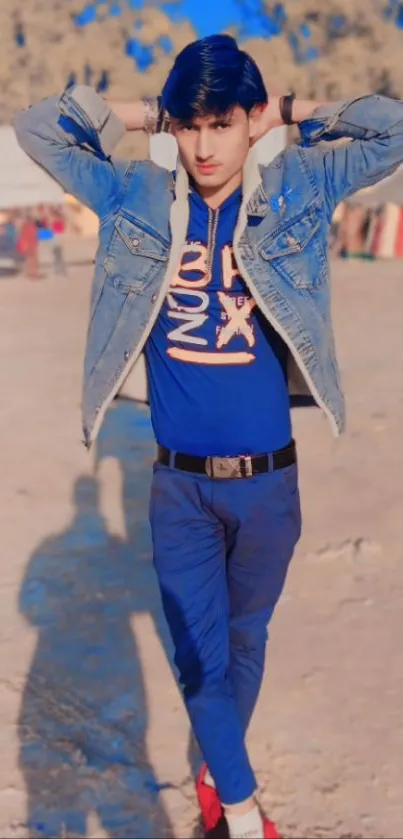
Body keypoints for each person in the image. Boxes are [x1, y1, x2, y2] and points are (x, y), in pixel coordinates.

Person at [14, 33, 403, 839]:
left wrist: (288, 114)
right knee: (200, 657)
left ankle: (212, 767)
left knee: (244, 641)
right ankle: (240, 806)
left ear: (249, 123)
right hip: (178, 487)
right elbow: (37, 127)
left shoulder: (297, 185)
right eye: (189, 127)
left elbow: (392, 128)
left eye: (221, 125)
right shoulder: (133, 195)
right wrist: (147, 113)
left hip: (270, 485)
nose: (202, 147)